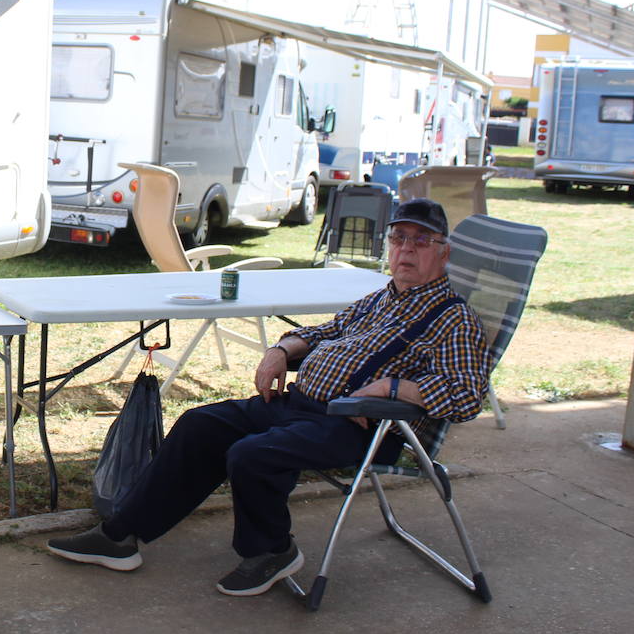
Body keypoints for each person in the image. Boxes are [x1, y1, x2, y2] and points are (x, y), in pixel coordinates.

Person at [47, 198, 489, 596]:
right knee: (200, 425)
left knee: (251, 454)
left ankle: (271, 550)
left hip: (360, 426)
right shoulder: (381, 298)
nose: (406, 250)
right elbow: (326, 332)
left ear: (444, 252)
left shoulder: (453, 319)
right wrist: (282, 349)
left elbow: (468, 395)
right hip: (299, 406)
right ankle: (121, 536)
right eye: (398, 238)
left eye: (421, 241)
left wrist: (394, 389)